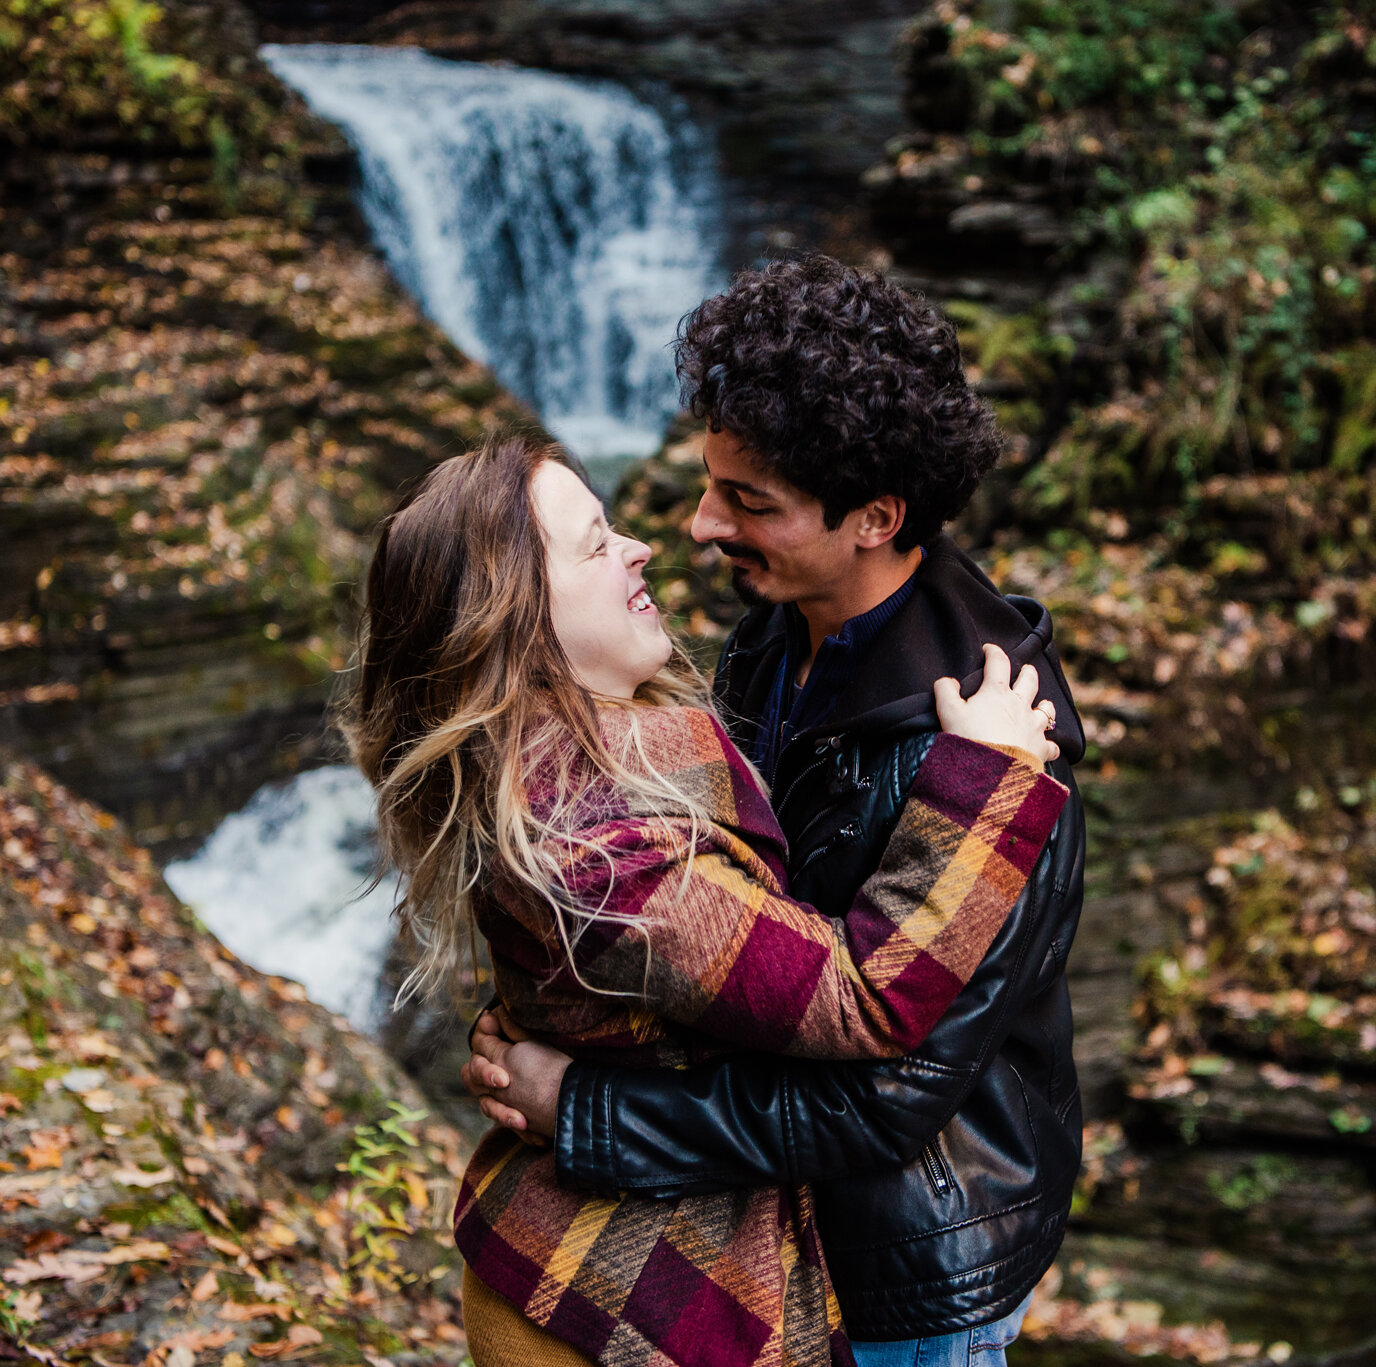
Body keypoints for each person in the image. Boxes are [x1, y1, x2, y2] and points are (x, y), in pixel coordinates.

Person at [465, 255, 1089, 1367]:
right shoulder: (768, 634)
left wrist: (584, 1108)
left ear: (873, 517)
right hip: (770, 1236)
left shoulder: (1000, 751)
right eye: (712, 483)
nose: (700, 525)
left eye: (747, 502)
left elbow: (886, 1102)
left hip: (903, 1266)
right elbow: (703, 906)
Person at [341, 433, 1070, 1367]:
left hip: (596, 1268)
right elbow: (863, 998)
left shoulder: (603, 761)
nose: (649, 543)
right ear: (514, 622)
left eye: (747, 498)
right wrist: (984, 776)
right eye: (596, 544)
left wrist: (575, 1080)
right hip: (617, 1303)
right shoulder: (598, 845)